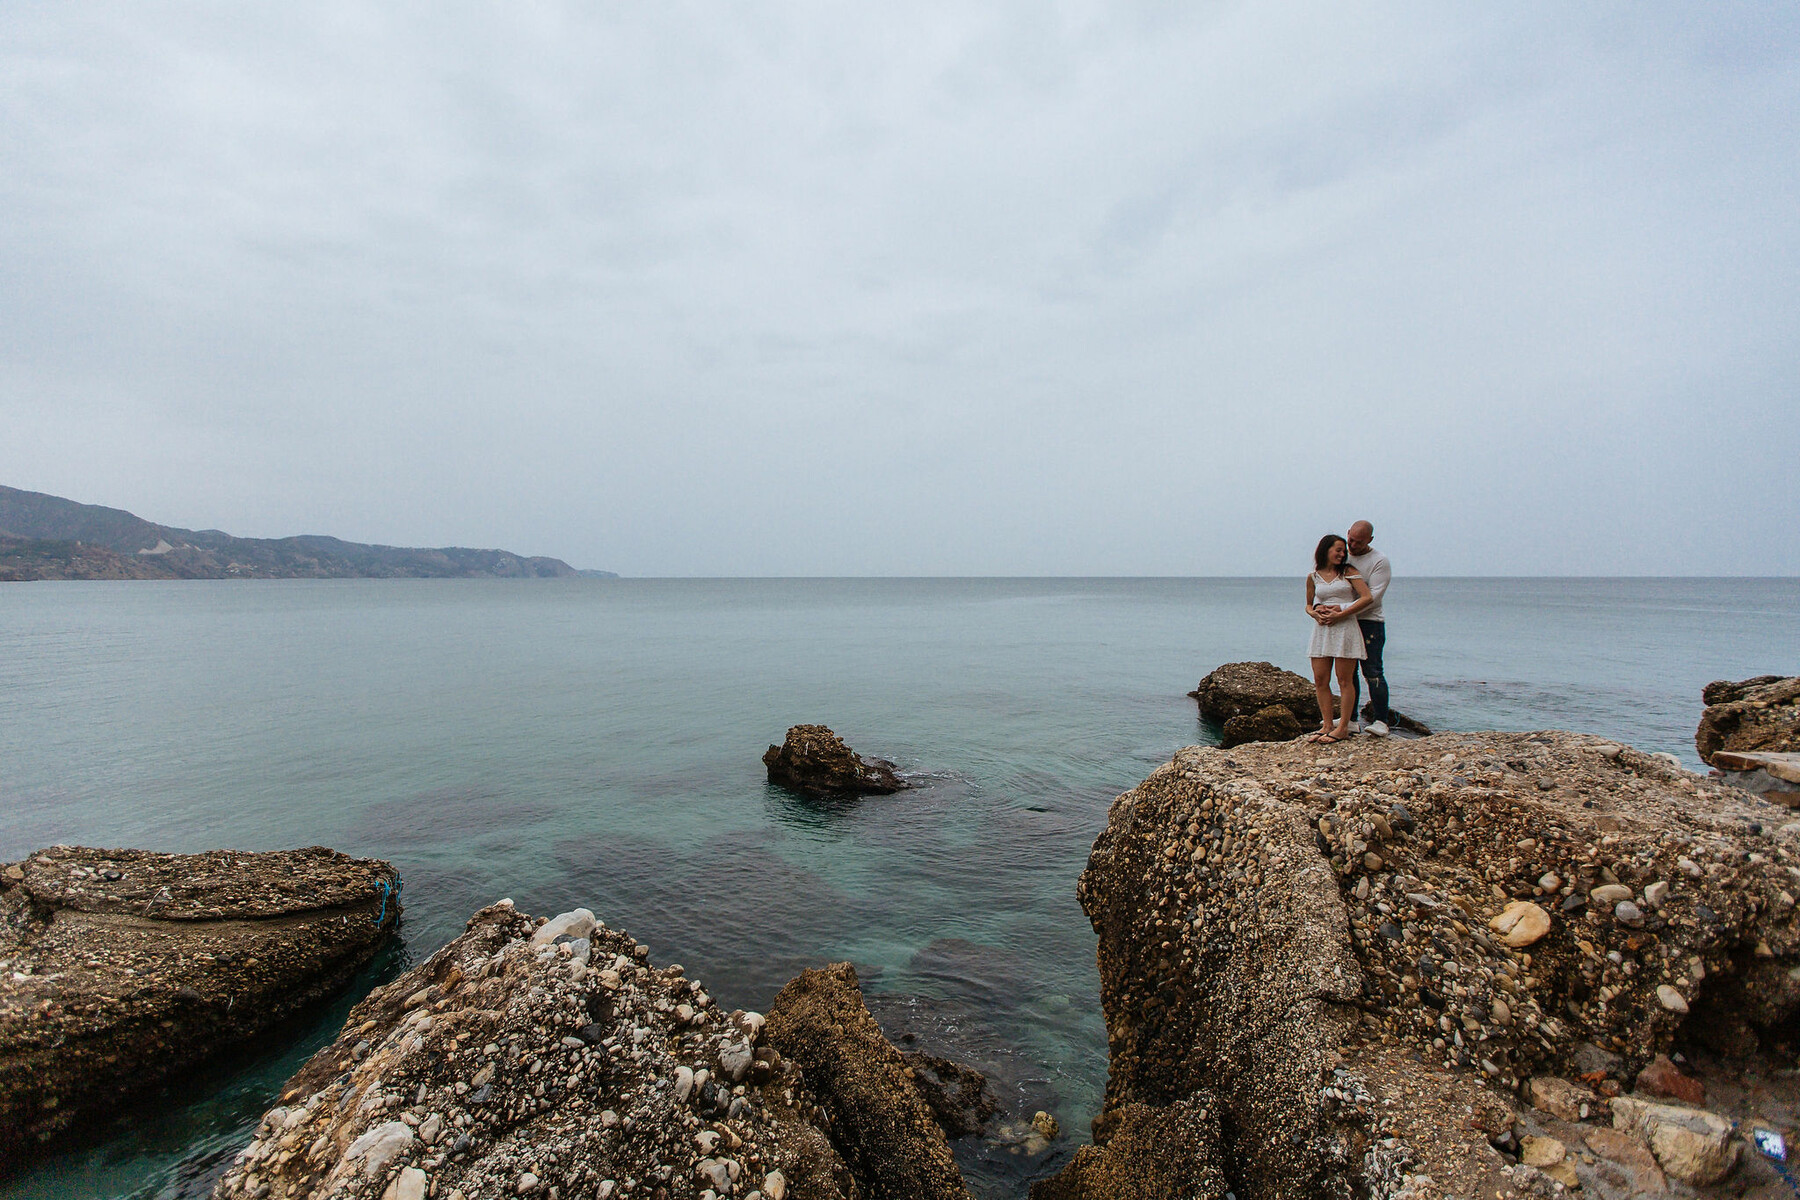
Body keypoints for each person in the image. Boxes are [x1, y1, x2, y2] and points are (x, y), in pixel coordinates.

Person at [1305, 533, 1373, 744]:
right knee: (1320, 679)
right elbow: (1308, 604)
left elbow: (1366, 597)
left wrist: (1341, 614)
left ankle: (1343, 727)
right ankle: (1327, 725)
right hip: (1322, 630)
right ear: (1326, 550)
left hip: (1345, 627)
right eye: (1338, 550)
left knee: (1344, 680)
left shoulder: (1349, 572)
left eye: (1344, 551)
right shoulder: (1314, 576)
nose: (1342, 554)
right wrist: (1314, 613)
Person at [1345, 520, 1392, 736]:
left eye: (1358, 542)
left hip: (1370, 621)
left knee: (1372, 671)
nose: (1352, 545)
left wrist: (1341, 611)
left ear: (1370, 540)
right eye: (1351, 540)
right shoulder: (1342, 555)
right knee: (1348, 671)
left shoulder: (1379, 561)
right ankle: (1351, 719)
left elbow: (1373, 597)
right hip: (1346, 621)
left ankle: (1381, 720)